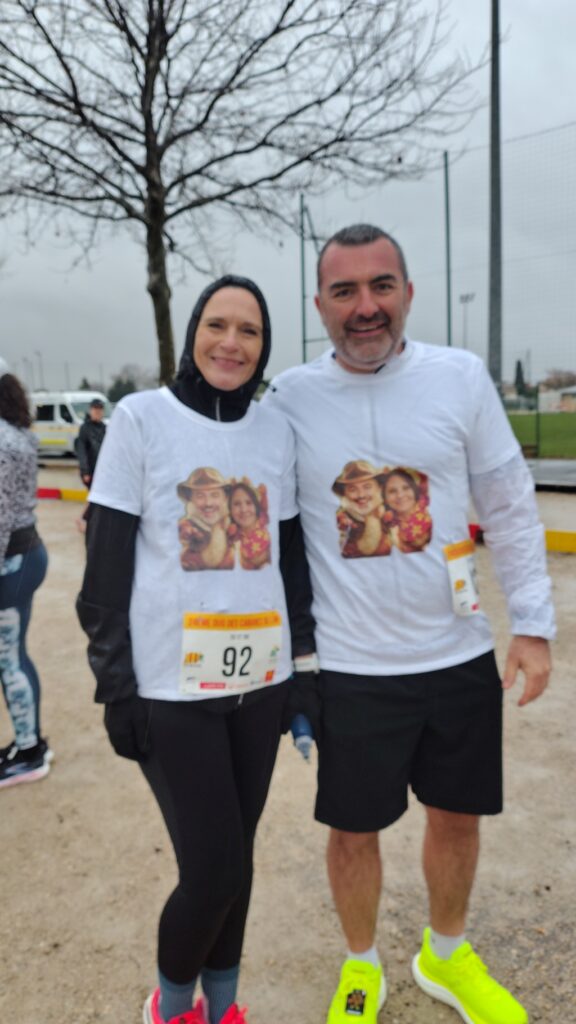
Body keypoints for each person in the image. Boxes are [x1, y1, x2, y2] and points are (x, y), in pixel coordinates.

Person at [264, 225, 554, 1024]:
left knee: (457, 818)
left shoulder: (457, 377)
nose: (366, 306)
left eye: (381, 286)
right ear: (319, 305)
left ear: (408, 293)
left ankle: (446, 954)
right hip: (352, 669)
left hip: (456, 654)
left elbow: (509, 502)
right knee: (352, 830)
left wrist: (532, 624)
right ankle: (362, 967)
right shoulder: (289, 398)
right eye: (345, 291)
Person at [76, 276, 317, 1024]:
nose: (231, 343)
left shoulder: (276, 432)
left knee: (238, 861)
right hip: (172, 691)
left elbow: (290, 560)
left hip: (261, 685)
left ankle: (223, 1008)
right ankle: (171, 1008)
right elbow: (105, 566)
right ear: (192, 334)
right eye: (217, 325)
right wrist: (115, 685)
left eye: (250, 331)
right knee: (213, 870)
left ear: (264, 347)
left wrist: (302, 671)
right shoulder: (141, 419)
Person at [0, 360, 51, 789]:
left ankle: (30, 750)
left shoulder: (1, 440)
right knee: (14, 654)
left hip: (11, 560)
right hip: (25, 554)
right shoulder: (18, 433)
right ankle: (30, 742)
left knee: (9, 657)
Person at [381, 467, 432, 553]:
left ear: (415, 490)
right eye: (392, 491)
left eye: (406, 488)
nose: (400, 495)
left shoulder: (426, 503)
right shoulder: (388, 522)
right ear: (384, 498)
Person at [227, 479, 271, 570]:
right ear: (230, 510)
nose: (243, 509)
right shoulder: (236, 531)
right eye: (237, 504)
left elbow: (265, 506)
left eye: (249, 503)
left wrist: (264, 494)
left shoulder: (262, 518)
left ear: (256, 506)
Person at [76, 397, 107, 489]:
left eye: (100, 409)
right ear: (90, 410)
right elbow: (81, 451)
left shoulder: (105, 428)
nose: (98, 412)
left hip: (103, 472)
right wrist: (85, 471)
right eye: (95, 409)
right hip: (91, 471)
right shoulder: (85, 428)